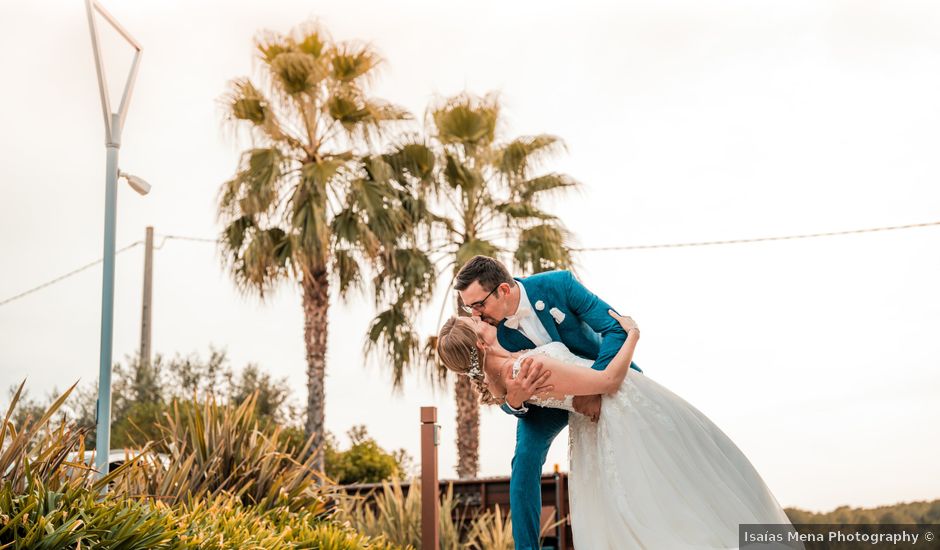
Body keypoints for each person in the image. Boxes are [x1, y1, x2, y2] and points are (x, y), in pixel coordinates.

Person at [437, 310, 800, 549]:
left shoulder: (505, 378)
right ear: (481, 343)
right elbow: (607, 381)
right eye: (475, 323)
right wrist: (632, 335)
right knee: (673, 502)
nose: (480, 317)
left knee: (657, 502)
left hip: (595, 427)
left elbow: (514, 396)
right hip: (621, 413)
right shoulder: (524, 367)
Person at [450, 255, 641, 548]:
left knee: (636, 449)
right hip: (542, 403)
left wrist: (590, 391)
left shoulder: (558, 285)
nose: (475, 314)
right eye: (469, 307)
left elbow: (614, 329)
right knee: (524, 461)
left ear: (502, 290)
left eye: (478, 304)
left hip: (598, 374)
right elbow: (493, 383)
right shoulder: (486, 329)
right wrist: (514, 401)